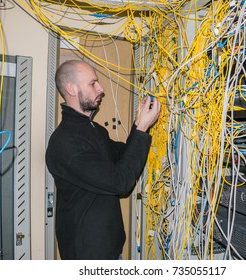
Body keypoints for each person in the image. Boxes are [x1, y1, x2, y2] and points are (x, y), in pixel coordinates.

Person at [45, 60, 161, 260]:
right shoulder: (65, 142)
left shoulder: (94, 130)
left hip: (109, 248)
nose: (101, 88)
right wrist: (141, 129)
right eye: (93, 83)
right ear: (72, 89)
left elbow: (123, 156)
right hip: (87, 254)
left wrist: (138, 123)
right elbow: (120, 183)